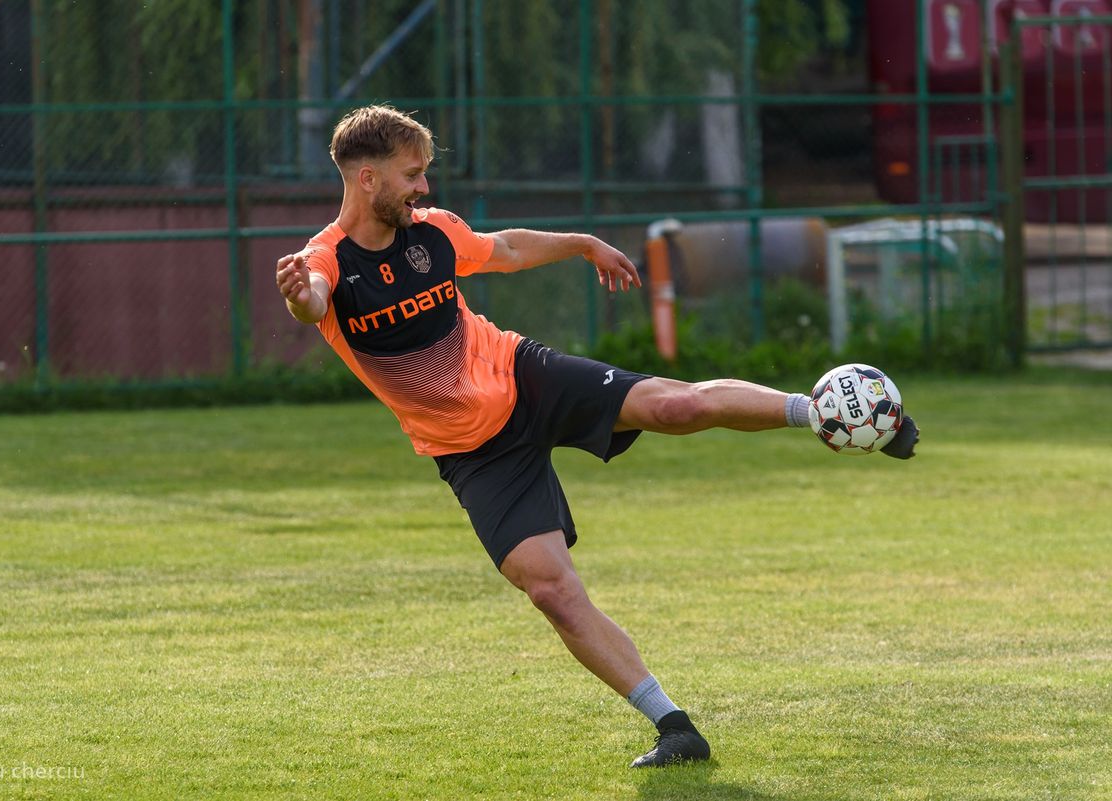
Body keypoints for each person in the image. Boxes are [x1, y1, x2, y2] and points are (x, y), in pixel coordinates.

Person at [275, 104, 918, 768]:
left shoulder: (432, 234)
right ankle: (675, 726)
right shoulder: (323, 258)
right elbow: (314, 300)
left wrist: (582, 243)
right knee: (551, 588)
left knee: (672, 406)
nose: (425, 189)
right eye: (414, 175)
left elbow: (509, 248)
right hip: (471, 450)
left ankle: (828, 413)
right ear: (368, 178)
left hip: (523, 374)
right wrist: (300, 294)